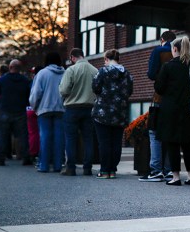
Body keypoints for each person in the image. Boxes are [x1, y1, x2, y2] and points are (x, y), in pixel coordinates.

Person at [155, 36, 190, 186]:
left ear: (174, 49)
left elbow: (159, 88)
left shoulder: (168, 66)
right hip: (188, 107)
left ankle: (176, 177)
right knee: (187, 144)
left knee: (172, 143)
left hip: (170, 109)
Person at [140, 30, 176, 182]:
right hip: (177, 99)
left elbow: (151, 74)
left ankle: (156, 170)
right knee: (170, 134)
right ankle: (169, 170)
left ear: (162, 39)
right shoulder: (181, 53)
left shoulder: (159, 51)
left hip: (160, 97)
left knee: (154, 132)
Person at [92, 49, 133, 179]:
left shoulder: (103, 71)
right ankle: (112, 170)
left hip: (102, 113)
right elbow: (129, 91)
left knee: (104, 142)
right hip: (120, 113)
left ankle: (104, 170)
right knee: (116, 142)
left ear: (106, 59)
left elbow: (95, 87)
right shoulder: (127, 73)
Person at [59, 48, 99, 176]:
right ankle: (87, 168)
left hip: (72, 108)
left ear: (72, 57)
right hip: (89, 108)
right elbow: (98, 90)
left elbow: (64, 90)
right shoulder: (95, 70)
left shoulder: (71, 70)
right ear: (83, 55)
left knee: (71, 139)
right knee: (88, 139)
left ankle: (71, 168)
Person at [29, 53, 66, 173]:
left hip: (44, 109)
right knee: (59, 138)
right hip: (60, 109)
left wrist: (34, 106)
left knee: (45, 137)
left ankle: (44, 165)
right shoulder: (65, 73)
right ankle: (58, 165)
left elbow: (36, 93)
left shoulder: (42, 73)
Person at [0, 60, 32, 166]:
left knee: (3, 135)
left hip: (5, 110)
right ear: (20, 68)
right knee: (23, 136)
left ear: (10, 67)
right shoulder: (25, 80)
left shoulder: (2, 80)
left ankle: (0, 158)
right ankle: (26, 157)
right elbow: (28, 95)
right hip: (20, 110)